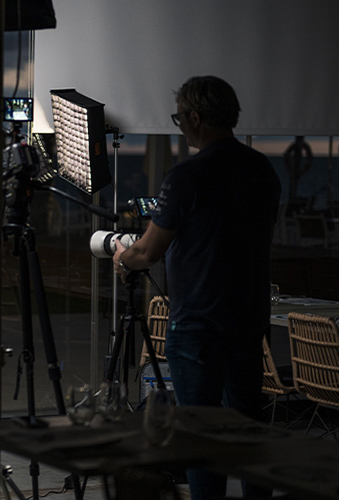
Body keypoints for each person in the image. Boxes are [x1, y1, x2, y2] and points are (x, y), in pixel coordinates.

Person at [112, 76, 280, 500]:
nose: (181, 126)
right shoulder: (262, 170)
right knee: (248, 426)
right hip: (249, 318)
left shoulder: (188, 175)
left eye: (179, 118)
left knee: (199, 433)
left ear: (195, 117)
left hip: (198, 323)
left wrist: (123, 257)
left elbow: (149, 251)